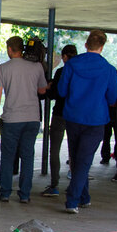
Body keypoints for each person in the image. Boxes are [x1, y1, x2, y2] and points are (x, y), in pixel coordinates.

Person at [57, 29, 117, 213]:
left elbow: (61, 91)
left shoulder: (72, 65)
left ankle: (84, 196)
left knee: (76, 158)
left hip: (73, 116)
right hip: (96, 118)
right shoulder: (109, 69)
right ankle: (73, 201)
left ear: (86, 45)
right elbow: (112, 98)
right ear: (102, 46)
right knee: (83, 160)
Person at [0, 36, 48, 203]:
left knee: (8, 157)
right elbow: (42, 90)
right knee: (27, 156)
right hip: (32, 117)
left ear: (10, 49)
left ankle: (5, 192)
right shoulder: (37, 66)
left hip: (12, 118)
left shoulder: (3, 68)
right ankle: (25, 194)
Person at [41, 44, 78, 197]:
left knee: (54, 149)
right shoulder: (80, 72)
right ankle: (75, 184)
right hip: (76, 115)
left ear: (64, 57)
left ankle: (54, 184)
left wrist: (49, 87)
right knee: (74, 151)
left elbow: (55, 94)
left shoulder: (62, 72)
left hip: (59, 114)